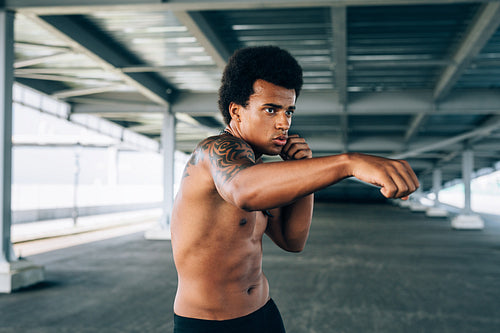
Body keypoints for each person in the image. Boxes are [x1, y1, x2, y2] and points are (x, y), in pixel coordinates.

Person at [170, 45, 419, 333]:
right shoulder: (214, 151)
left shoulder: (261, 171)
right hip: (210, 326)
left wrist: (304, 172)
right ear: (236, 111)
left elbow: (292, 241)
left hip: (263, 314)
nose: (284, 122)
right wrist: (348, 163)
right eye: (271, 110)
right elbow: (243, 191)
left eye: (289, 111)